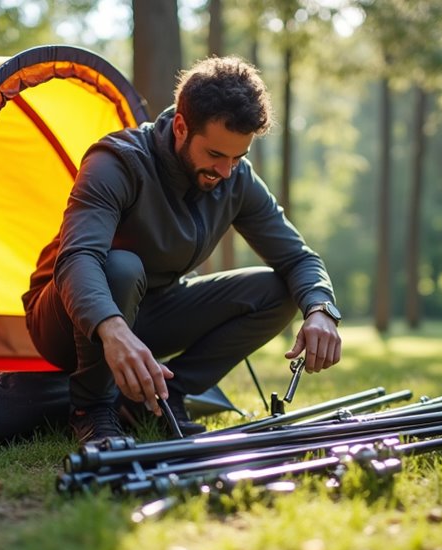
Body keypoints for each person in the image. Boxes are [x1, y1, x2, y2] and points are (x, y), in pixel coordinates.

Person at [22, 55, 343, 445]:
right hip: (68, 319)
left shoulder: (235, 177)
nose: (226, 171)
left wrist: (321, 309)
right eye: (214, 155)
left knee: (279, 290)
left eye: (237, 157)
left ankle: (166, 396)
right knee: (120, 267)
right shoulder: (117, 162)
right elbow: (77, 259)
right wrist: (113, 327)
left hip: (152, 312)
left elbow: (297, 257)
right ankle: (92, 407)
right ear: (180, 127)